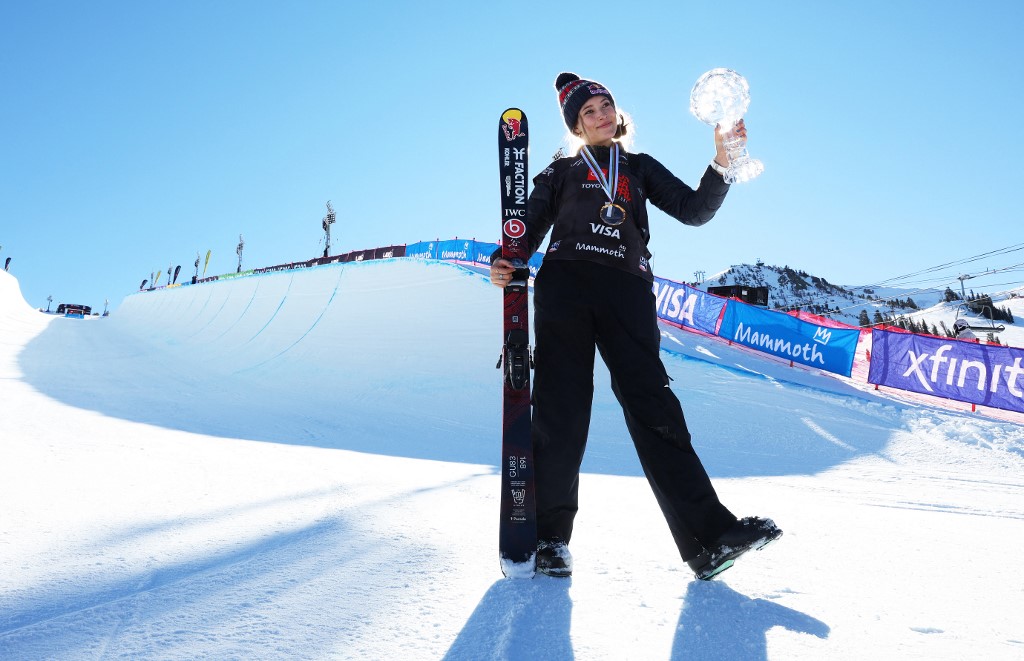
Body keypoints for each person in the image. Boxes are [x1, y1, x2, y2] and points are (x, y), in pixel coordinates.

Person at [490, 72, 781, 581]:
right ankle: (551, 540)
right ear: (577, 127)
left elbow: (694, 211)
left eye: (605, 105)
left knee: (654, 406)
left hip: (628, 288)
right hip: (566, 286)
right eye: (589, 112)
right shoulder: (562, 170)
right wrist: (505, 260)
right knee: (561, 411)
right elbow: (526, 230)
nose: (601, 115)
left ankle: (708, 539)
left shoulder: (639, 167)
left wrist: (722, 162)